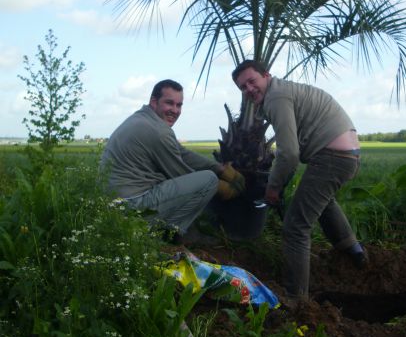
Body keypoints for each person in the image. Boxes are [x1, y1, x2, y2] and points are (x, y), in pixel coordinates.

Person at [232, 60, 368, 299]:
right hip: (346, 154)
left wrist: (273, 187)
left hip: (333, 157)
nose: (249, 90)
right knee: (321, 199)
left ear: (266, 75)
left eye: (252, 81)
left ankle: (296, 300)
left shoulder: (276, 97)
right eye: (243, 87)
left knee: (295, 227)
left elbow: (289, 153)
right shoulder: (282, 91)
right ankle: (353, 250)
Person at [99, 79, 245, 239]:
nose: (175, 110)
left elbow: (181, 153)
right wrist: (222, 186)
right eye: (169, 103)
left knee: (208, 177)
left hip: (114, 204)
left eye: (179, 105)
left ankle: (166, 229)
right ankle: (167, 233)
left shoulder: (143, 118)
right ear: (154, 102)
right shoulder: (158, 131)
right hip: (131, 206)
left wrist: (220, 168)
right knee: (208, 181)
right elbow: (180, 173)